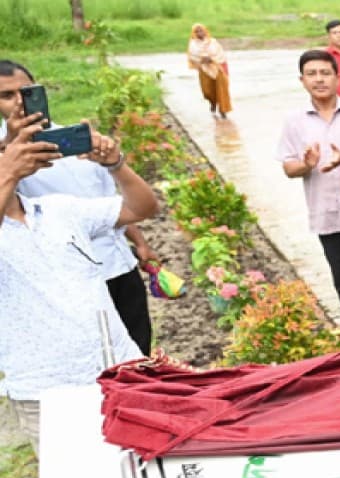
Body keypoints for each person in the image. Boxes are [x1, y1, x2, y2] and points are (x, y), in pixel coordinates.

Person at [0, 123, 157, 455]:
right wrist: (7, 175)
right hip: (50, 393)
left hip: (122, 370)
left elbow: (142, 208)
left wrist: (116, 165)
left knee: (146, 472)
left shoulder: (56, 209)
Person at [0, 59, 158, 356]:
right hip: (66, 279)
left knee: (138, 353)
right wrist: (9, 153)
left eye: (26, 92)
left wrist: (139, 243)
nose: (20, 102)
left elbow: (114, 201)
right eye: (7, 96)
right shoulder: (7, 158)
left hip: (118, 265)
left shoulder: (76, 138)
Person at [276, 50, 340, 340]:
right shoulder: (294, 120)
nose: (319, 79)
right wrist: (306, 165)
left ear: (338, 77)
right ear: (302, 80)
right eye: (312, 74)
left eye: (325, 73)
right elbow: (288, 167)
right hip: (326, 212)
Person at [187, 23, 232, 118]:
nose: (200, 33)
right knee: (207, 91)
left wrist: (211, 59)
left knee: (222, 89)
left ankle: (223, 110)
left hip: (217, 68)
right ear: (194, 33)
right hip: (204, 70)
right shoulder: (193, 44)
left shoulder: (213, 42)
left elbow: (221, 54)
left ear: (205, 31)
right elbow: (192, 56)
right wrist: (201, 60)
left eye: (201, 30)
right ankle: (212, 102)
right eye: (197, 31)